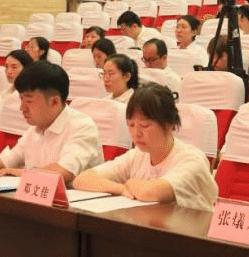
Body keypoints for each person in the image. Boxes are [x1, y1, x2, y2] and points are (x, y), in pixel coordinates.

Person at [73, 84, 218, 211]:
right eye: (131, 125)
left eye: (145, 125)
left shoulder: (192, 159)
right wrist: (121, 188)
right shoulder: (137, 155)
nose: (136, 133)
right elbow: (82, 179)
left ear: (169, 124)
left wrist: (131, 183)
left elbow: (153, 192)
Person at [0, 61, 102, 183]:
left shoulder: (82, 126)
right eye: (21, 100)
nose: (22, 108)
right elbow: (5, 161)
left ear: (54, 102)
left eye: (29, 101)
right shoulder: (36, 128)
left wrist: (22, 173)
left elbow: (63, 171)